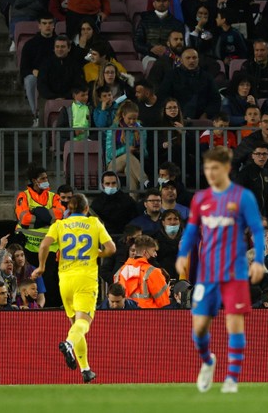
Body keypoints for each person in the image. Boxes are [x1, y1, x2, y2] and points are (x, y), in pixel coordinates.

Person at [175, 146, 265, 393]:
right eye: (207, 169)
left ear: (226, 168)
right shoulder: (200, 198)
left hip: (235, 272)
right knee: (199, 328)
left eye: (215, 168)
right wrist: (183, 255)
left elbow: (257, 230)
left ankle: (231, 379)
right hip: (207, 275)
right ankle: (208, 361)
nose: (210, 173)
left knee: (234, 324)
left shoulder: (242, 197)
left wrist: (258, 259)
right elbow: (192, 231)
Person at [33, 193, 116, 383]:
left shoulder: (59, 225)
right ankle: (69, 344)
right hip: (85, 280)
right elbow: (111, 249)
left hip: (65, 281)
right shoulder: (94, 223)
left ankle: (85, 369)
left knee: (75, 325)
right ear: (86, 209)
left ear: (68, 210)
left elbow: (44, 245)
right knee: (83, 324)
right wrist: (98, 252)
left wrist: (42, 267)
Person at [14, 163, 64, 307]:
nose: (46, 180)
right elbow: (23, 218)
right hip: (29, 248)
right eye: (43, 178)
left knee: (49, 281)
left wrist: (35, 212)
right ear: (35, 181)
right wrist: (46, 217)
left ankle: (49, 307)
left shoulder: (54, 197)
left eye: (46, 178)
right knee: (28, 281)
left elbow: (59, 215)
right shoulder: (23, 196)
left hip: (50, 248)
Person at [158, 48, 221, 119]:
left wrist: (206, 114)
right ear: (181, 60)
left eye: (194, 58)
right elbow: (163, 96)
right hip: (176, 117)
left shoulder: (207, 77)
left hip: (202, 118)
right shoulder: (172, 75)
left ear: (198, 59)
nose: (192, 60)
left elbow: (216, 99)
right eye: (188, 58)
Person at [114, 235, 170, 309]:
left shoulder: (121, 271)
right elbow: (164, 303)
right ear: (145, 253)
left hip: (126, 317)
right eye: (153, 251)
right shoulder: (153, 272)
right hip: (149, 317)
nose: (155, 254)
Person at [20, 12, 56, 128]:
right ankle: (35, 115)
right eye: (44, 23)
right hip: (37, 75)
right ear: (39, 25)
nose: (47, 26)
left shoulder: (60, 43)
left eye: (50, 23)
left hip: (56, 75)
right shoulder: (30, 44)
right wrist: (32, 71)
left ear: (54, 25)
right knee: (29, 80)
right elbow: (24, 68)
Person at [134, 0, 185, 70]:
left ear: (169, 3)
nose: (161, 3)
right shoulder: (144, 21)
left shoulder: (177, 23)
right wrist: (150, 49)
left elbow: (181, 44)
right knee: (153, 65)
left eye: (164, 0)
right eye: (158, 1)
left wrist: (167, 51)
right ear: (154, 3)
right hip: (149, 56)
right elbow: (137, 42)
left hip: (171, 56)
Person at [105, 100, 148, 193]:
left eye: (134, 119)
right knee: (128, 156)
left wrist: (139, 150)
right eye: (129, 118)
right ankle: (145, 181)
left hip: (134, 163)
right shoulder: (113, 129)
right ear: (123, 115)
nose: (132, 121)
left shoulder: (141, 130)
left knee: (129, 169)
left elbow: (145, 154)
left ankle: (133, 199)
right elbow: (109, 154)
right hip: (114, 164)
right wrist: (126, 149)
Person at [234, 143, 268, 214]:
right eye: (258, 154)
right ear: (253, 155)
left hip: (262, 214)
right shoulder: (245, 172)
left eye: (264, 154)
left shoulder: (266, 173)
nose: (262, 157)